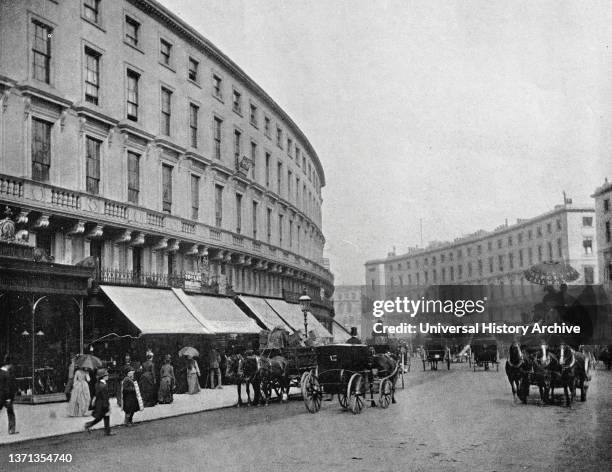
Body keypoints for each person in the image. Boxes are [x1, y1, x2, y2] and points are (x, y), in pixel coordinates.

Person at [84, 369, 114, 436]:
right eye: (106, 375)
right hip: (103, 404)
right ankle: (88, 425)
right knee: (101, 418)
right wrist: (106, 406)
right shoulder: (103, 385)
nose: (108, 376)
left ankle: (107, 431)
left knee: (104, 417)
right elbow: (105, 397)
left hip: (99, 404)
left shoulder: (98, 384)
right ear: (103, 376)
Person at [0, 355, 18, 435]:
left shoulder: (0, 372)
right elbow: (7, 387)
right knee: (10, 413)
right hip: (6, 397)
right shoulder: (7, 374)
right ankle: (11, 430)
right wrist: (8, 398)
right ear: (9, 364)